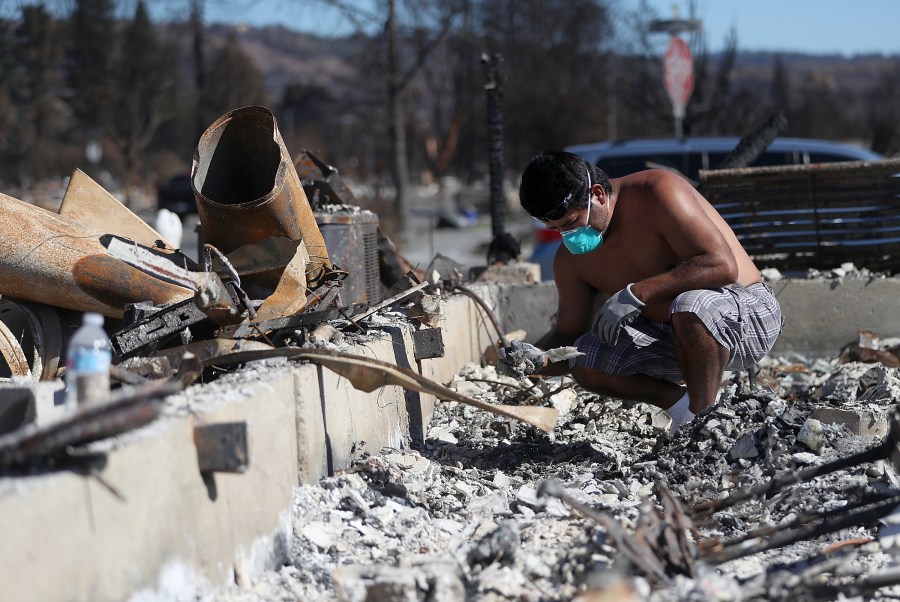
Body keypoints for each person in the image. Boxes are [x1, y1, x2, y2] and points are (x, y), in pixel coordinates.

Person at [500, 150, 783, 433]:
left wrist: (638, 293)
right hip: (677, 341)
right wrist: (539, 359)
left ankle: (703, 423)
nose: (569, 236)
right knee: (583, 356)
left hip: (747, 316)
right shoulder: (570, 261)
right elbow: (568, 335)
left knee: (690, 304)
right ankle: (686, 411)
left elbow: (722, 266)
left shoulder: (656, 192)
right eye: (557, 229)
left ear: (598, 194)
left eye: (571, 223)